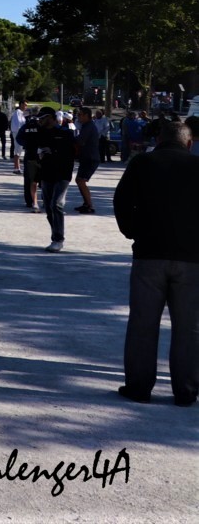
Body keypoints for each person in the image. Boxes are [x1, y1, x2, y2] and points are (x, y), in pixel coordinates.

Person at [112, 120, 199, 406]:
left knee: (142, 323)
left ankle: (138, 386)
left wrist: (132, 231)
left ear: (159, 140)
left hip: (149, 254)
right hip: (192, 259)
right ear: (189, 143)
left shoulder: (142, 163)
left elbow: (121, 200)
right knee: (189, 327)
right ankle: (186, 390)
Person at [17, 106, 77, 252]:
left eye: (42, 118)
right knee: (49, 207)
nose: (40, 121)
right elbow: (23, 139)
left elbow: (71, 153)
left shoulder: (66, 133)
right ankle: (55, 234)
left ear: (50, 118)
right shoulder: (39, 132)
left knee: (57, 204)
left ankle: (58, 239)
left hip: (62, 174)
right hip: (46, 173)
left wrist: (53, 151)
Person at [74, 106, 101, 214]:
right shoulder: (86, 125)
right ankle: (86, 204)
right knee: (79, 180)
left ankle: (90, 206)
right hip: (86, 158)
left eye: (80, 115)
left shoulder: (89, 126)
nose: (78, 117)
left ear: (86, 116)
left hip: (91, 158)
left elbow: (80, 141)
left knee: (81, 181)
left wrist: (69, 138)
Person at [10, 99, 28, 174]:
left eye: (26, 105)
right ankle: (16, 168)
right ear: (20, 104)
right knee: (17, 150)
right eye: (25, 104)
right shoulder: (18, 112)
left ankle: (17, 167)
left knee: (19, 151)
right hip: (18, 133)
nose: (25, 106)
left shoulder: (21, 113)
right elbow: (18, 124)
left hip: (19, 133)